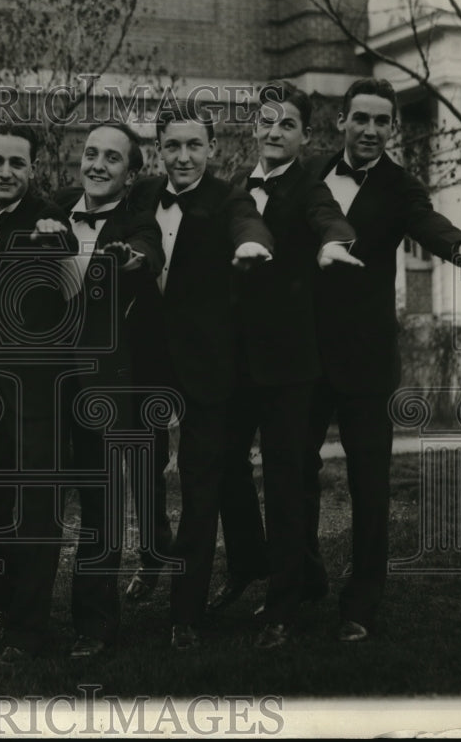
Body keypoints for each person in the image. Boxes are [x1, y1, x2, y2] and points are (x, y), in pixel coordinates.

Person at [306, 77, 461, 642]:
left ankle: (360, 604)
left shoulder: (400, 186)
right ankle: (302, 581)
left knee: (369, 485)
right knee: (294, 472)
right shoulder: (312, 172)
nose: (370, 129)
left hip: (367, 359)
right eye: (361, 118)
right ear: (342, 121)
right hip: (304, 354)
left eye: (381, 121)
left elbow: (426, 221)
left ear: (392, 128)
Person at [207, 81, 361, 648]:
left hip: (292, 364)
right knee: (223, 462)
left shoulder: (310, 188)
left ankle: (283, 604)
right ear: (255, 127)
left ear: (306, 135)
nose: (275, 132)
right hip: (237, 361)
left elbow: (329, 219)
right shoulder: (234, 186)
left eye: (288, 124)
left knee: (285, 479)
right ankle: (253, 562)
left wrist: (336, 243)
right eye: (267, 121)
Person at [128, 101, 274, 651]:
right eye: (172, 145)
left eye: (194, 145)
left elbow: (248, 223)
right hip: (146, 360)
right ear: (158, 149)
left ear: (212, 148)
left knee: (200, 484)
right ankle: (153, 556)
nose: (183, 156)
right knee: (142, 469)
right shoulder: (143, 193)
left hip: (207, 365)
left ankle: (185, 613)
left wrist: (252, 244)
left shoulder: (228, 197)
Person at [0, 123, 78, 667]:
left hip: (38, 390)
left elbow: (67, 255)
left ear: (34, 169)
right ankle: (7, 605)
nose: (5, 172)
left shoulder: (49, 219)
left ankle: (30, 631)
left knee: (36, 512)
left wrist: (58, 238)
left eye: (17, 163)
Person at [54, 123, 164, 658]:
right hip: (44, 383)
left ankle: (94, 625)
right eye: (91, 153)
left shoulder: (136, 223)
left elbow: (147, 251)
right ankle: (19, 613)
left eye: (112, 158)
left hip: (101, 385)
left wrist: (131, 257)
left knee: (100, 505)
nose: (97, 165)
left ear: (131, 174)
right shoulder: (54, 208)